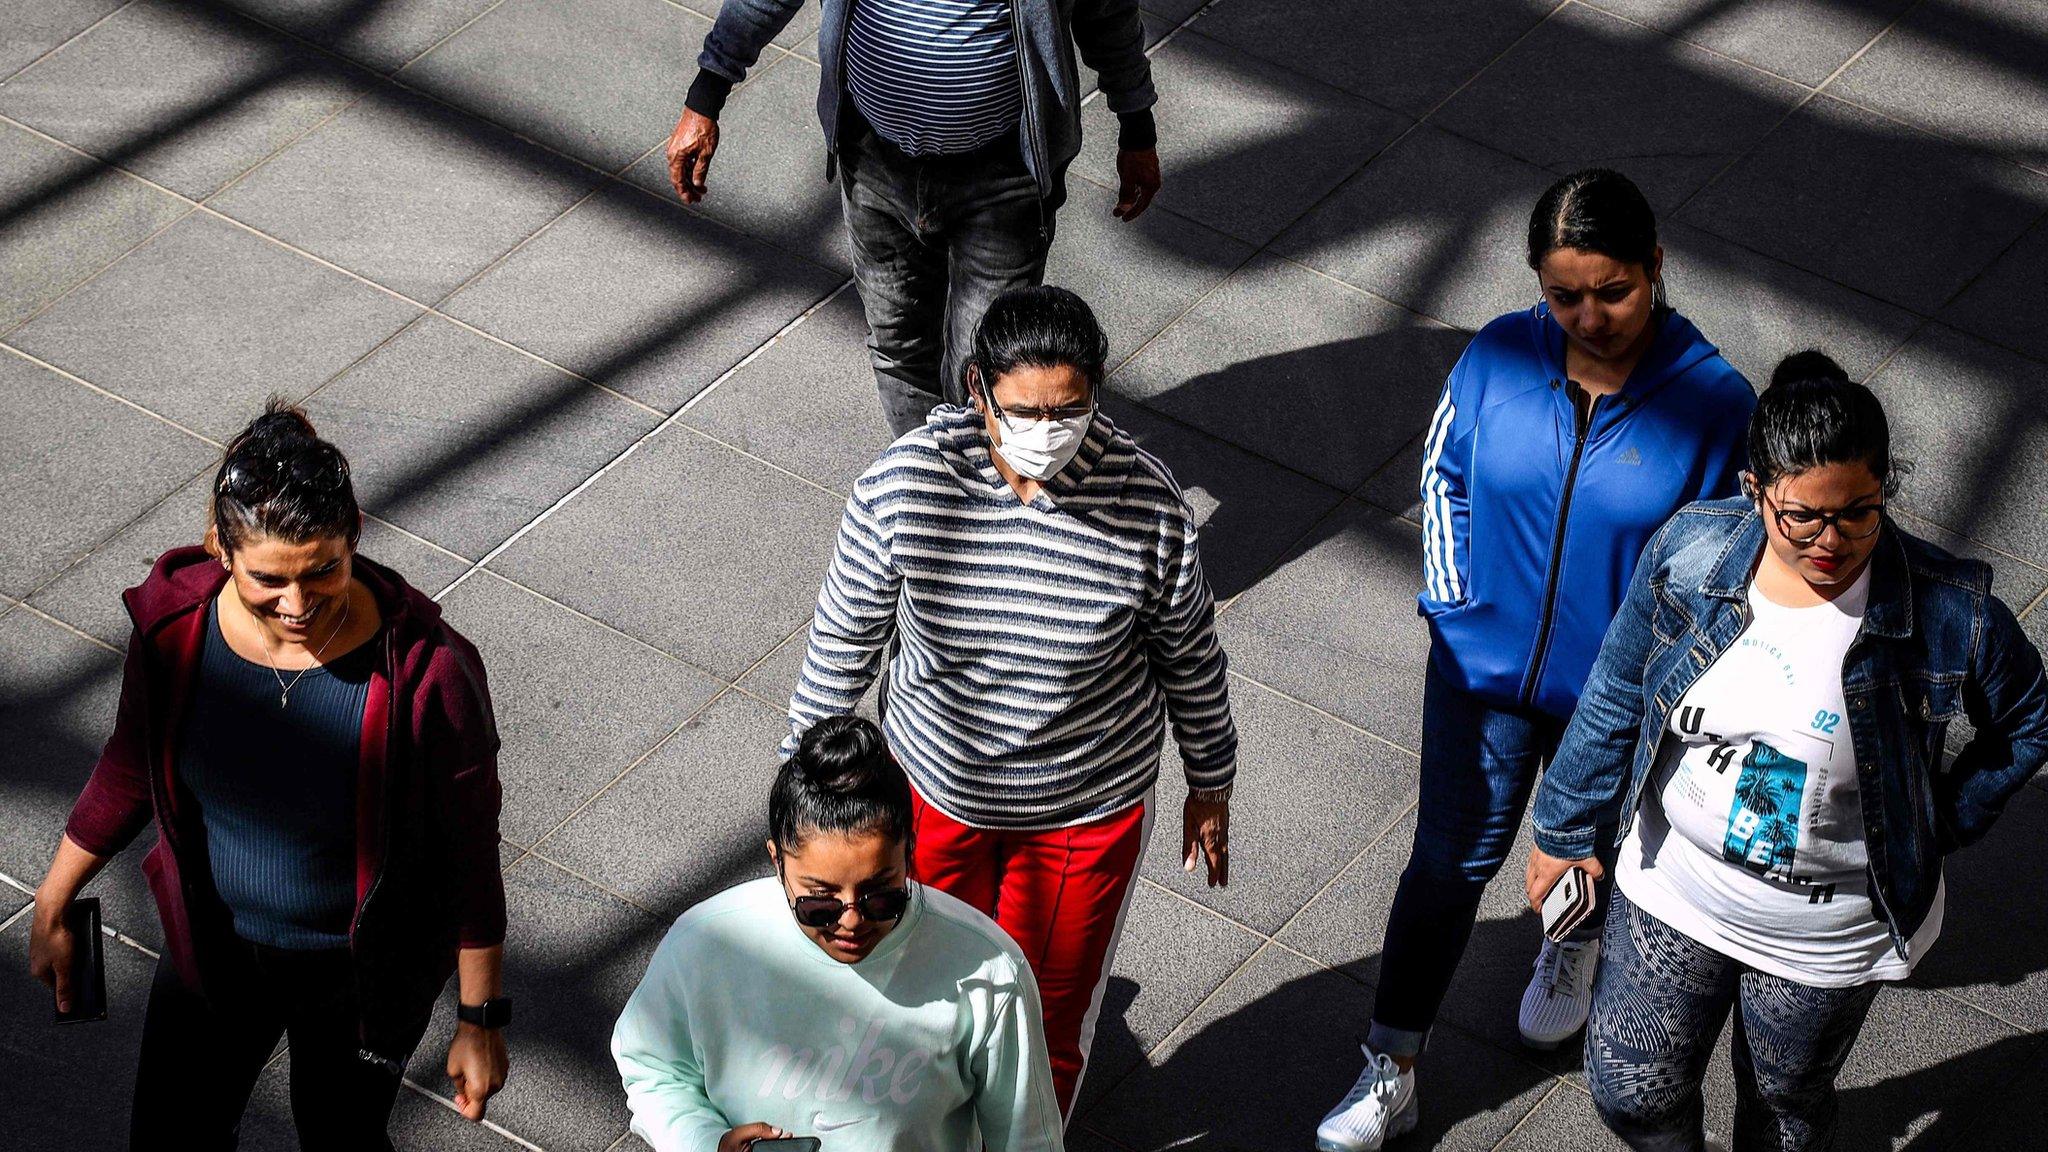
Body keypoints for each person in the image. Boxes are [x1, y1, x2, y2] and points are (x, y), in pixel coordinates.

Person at [1316, 169, 1758, 1152]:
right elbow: (1442, 480)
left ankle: (1565, 946)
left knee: (1584, 845)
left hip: (1613, 701)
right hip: (1479, 675)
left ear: (1655, 266)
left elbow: (1723, 570)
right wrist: (1451, 611)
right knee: (1444, 864)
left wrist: (1651, 684)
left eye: (1612, 290)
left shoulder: (1715, 404)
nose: (1588, 316)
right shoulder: (1492, 357)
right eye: (1563, 294)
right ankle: (1389, 1065)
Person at [1525, 352, 2048, 1151]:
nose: (1830, 542)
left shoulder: (1950, 610)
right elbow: (1616, 690)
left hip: (1822, 932)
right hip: (1678, 885)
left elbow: (2030, 717)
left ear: (1884, 489)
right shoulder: (1692, 555)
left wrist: (1940, 818)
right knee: (1630, 1085)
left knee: (1783, 1109)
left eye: (1859, 513)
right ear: (1755, 490)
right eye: (1801, 516)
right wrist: (1563, 832)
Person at [782, 284, 1236, 1116]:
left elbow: (1191, 658)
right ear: (976, 388)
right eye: (1023, 410)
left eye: (1068, 409)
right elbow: (840, 653)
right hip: (934, 794)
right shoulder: (905, 488)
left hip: (1084, 811)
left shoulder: (1150, 506)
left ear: (1096, 391)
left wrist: (1211, 781)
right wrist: (799, 808)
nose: (1046, 432)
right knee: (911, 987)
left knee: (1043, 1018)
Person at [27, 402, 510, 1149]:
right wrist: (56, 898)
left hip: (360, 976)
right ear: (221, 547)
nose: (298, 604)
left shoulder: (430, 673)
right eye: (269, 580)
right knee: (168, 1136)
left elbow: (468, 854)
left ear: (354, 538)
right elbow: (128, 766)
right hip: (213, 951)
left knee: (338, 1136)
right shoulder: (175, 633)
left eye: (324, 570)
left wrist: (480, 1021)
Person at [665, 0, 1163, 437]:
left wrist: (1136, 123)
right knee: (898, 344)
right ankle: (926, 484)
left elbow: (1109, 14)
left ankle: (975, 504)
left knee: (988, 365)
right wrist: (706, 94)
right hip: (876, 164)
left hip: (1002, 178)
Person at [613, 716, 1064, 1152]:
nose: (850, 921)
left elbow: (1026, 1139)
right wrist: (706, 1142)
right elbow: (651, 1067)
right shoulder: (707, 943)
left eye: (881, 895)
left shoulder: (986, 967)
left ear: (909, 854)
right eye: (819, 904)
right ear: (777, 862)